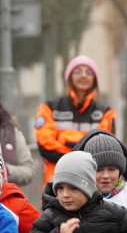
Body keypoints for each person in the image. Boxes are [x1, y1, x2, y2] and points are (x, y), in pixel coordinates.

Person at [35, 56, 116, 184]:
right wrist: (83, 148)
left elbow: (105, 149)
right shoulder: (50, 107)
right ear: (69, 77)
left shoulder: (105, 112)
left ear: (95, 79)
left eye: (89, 72)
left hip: (91, 183)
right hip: (55, 183)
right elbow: (46, 146)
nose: (83, 75)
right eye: (78, 71)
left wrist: (65, 140)